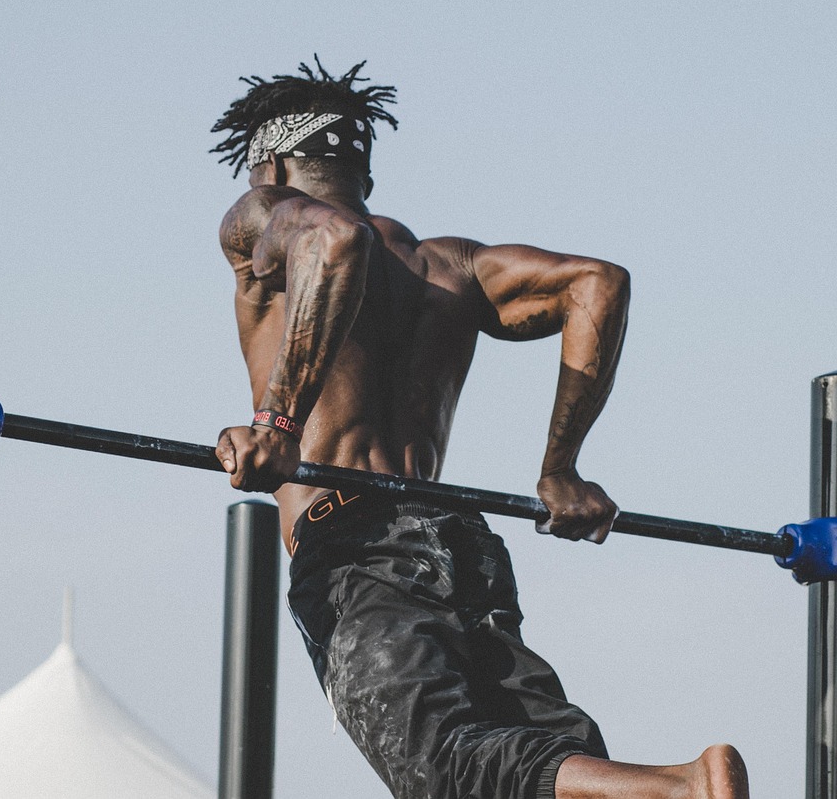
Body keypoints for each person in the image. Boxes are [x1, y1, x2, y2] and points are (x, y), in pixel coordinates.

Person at [211, 59, 749, 799]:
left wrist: (276, 423)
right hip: (458, 542)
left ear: (268, 166)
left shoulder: (263, 215)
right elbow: (596, 282)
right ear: (363, 170)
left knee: (445, 769)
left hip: (354, 546)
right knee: (540, 766)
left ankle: (687, 784)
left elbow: (333, 241)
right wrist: (561, 466)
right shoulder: (447, 267)